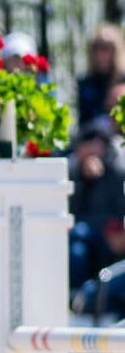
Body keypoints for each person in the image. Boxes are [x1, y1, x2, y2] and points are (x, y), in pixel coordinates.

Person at [68, 117, 125, 288]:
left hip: (107, 234)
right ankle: (79, 295)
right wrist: (82, 176)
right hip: (80, 234)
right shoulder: (72, 173)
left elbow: (117, 209)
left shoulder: (115, 173)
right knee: (77, 246)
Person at [77, 23, 125, 128]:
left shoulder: (123, 79)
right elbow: (83, 122)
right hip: (94, 136)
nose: (100, 53)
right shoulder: (86, 83)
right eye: (96, 47)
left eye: (105, 47)